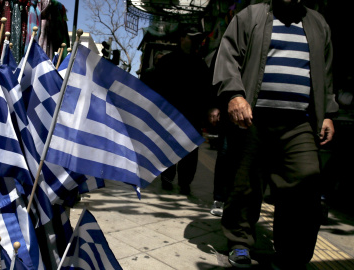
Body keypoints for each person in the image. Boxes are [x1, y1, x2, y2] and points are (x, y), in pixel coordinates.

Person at [212, 0, 338, 268]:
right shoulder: (251, 16)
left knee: (305, 186)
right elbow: (228, 57)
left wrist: (327, 112)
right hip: (253, 118)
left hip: (300, 123)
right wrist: (234, 95)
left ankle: (291, 255)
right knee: (245, 184)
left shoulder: (318, 23)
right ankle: (239, 242)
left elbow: (325, 73)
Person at [144, 24, 213, 195]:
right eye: (191, 38)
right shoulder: (167, 62)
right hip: (170, 114)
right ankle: (167, 178)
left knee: (190, 149)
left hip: (193, 115)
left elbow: (206, 90)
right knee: (168, 146)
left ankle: (185, 182)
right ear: (182, 39)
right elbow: (156, 89)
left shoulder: (200, 64)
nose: (194, 42)